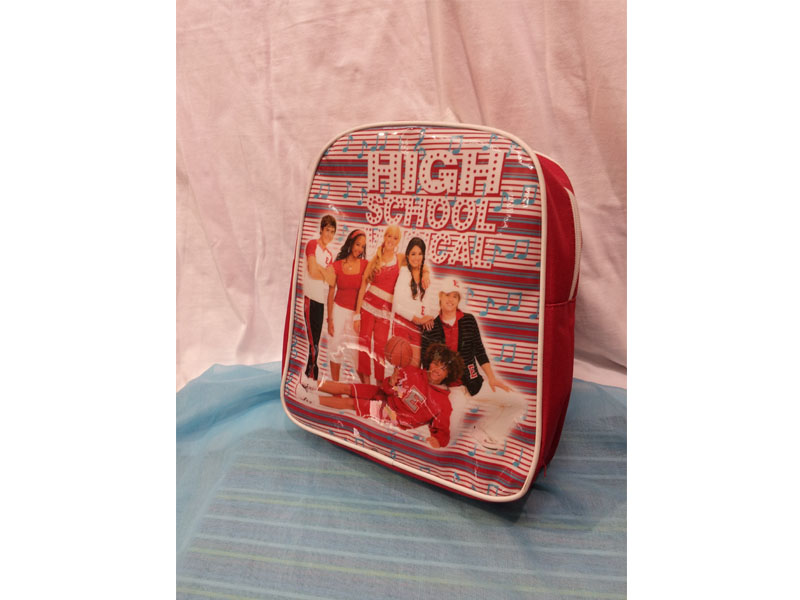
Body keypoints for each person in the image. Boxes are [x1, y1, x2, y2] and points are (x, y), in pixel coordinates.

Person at [421, 278, 528, 449]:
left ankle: (486, 431)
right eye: (447, 295)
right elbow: (425, 364)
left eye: (455, 296)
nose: (450, 299)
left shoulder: (469, 320)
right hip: (451, 391)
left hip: (474, 382)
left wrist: (492, 378)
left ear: (459, 300)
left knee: (517, 402)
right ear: (440, 296)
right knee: (446, 439)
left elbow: (479, 350)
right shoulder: (431, 326)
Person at [303, 344, 465, 448]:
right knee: (348, 387)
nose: (437, 369)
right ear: (430, 362)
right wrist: (391, 382)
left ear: (448, 374)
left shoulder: (443, 403)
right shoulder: (413, 372)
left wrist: (437, 441)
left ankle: (310, 399)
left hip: (392, 415)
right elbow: (388, 389)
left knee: (352, 403)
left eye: (443, 368)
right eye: (436, 363)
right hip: (384, 396)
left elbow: (443, 431)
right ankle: (309, 384)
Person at [353, 225, 429, 384]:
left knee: (380, 348)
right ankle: (366, 384)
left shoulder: (400, 258)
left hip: (386, 312)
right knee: (364, 344)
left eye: (395, 238)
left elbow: (418, 263)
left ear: (398, 241)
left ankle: (379, 383)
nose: (391, 240)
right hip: (367, 307)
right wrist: (357, 315)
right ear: (384, 237)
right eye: (389, 236)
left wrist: (426, 274)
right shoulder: (375, 259)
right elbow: (362, 287)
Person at [326, 229, 368, 382]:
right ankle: (335, 387)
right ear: (350, 243)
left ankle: (366, 387)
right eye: (357, 244)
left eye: (362, 246)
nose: (360, 249)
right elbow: (331, 294)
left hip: (355, 314)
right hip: (338, 311)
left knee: (357, 354)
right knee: (335, 348)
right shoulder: (336, 266)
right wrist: (330, 319)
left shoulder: (365, 265)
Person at [391, 237, 438, 367]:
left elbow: (430, 302)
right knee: (401, 365)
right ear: (407, 255)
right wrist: (418, 319)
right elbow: (396, 305)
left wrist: (428, 317)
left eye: (419, 254)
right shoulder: (404, 273)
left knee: (415, 365)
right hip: (402, 323)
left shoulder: (426, 276)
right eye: (413, 254)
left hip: (418, 327)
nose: (416, 258)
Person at [302, 214, 336, 380]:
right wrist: (323, 271)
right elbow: (312, 271)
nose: (329, 235)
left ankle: (310, 376)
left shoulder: (329, 254)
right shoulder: (312, 244)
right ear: (321, 229)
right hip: (310, 299)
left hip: (321, 302)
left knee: (316, 341)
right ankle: (311, 375)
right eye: (327, 230)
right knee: (312, 342)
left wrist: (319, 269)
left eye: (332, 232)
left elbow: (331, 280)